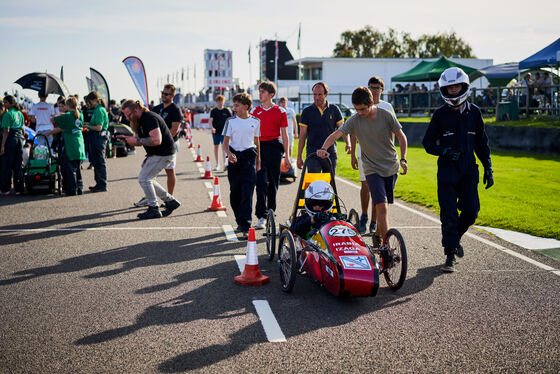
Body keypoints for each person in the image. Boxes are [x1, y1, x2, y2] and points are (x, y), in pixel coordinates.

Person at [317, 87, 408, 248]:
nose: (360, 112)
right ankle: (387, 249)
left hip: (391, 167)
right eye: (356, 109)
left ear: (371, 103)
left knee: (384, 208)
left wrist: (403, 159)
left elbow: (402, 137)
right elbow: (335, 135)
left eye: (363, 109)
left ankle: (378, 235)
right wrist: (324, 148)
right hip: (371, 168)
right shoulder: (355, 120)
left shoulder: (386, 115)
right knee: (381, 206)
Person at [423, 67, 493, 273]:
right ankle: (449, 254)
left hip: (469, 171)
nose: (453, 91)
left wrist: (488, 168)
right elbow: (427, 143)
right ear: (444, 90)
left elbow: (482, 143)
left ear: (464, 87)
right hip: (446, 172)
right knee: (449, 214)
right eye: (449, 88)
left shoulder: (475, 113)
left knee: (471, 212)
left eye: (456, 87)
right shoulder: (439, 115)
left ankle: (455, 239)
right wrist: (444, 151)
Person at [120, 100, 181, 220]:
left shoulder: (149, 118)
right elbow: (139, 140)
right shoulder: (140, 119)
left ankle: (154, 208)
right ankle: (171, 201)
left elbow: (157, 140)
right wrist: (128, 139)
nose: (127, 118)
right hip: (159, 153)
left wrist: (136, 141)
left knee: (144, 178)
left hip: (163, 153)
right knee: (148, 179)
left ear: (136, 110)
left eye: (129, 114)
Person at [351, 76, 396, 235]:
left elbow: (393, 131)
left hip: (383, 155)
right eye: (371, 87)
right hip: (365, 152)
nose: (374, 90)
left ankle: (374, 222)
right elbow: (354, 129)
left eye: (377, 87)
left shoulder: (387, 107)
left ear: (382, 90)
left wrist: (391, 153)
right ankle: (364, 215)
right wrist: (353, 154)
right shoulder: (361, 105)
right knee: (366, 185)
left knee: (380, 192)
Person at [132, 84, 184, 208]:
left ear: (172, 96)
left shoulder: (175, 109)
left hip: (169, 144)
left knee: (169, 171)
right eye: (162, 93)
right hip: (156, 144)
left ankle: (169, 198)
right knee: (149, 173)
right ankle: (149, 196)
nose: (163, 96)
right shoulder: (156, 108)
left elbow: (174, 129)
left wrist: (163, 143)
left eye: (166, 94)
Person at [250, 81, 291, 230]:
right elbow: (251, 134)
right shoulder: (254, 112)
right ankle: (261, 215)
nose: (260, 94)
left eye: (263, 92)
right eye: (259, 91)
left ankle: (271, 213)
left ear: (271, 95)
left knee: (273, 183)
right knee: (260, 183)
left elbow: (285, 136)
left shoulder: (280, 111)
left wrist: (287, 156)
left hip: (274, 148)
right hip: (259, 148)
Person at [222, 93, 260, 239]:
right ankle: (239, 220)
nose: (234, 108)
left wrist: (259, 162)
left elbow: (257, 143)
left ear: (246, 106)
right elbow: (225, 143)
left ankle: (246, 225)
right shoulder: (230, 121)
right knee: (235, 194)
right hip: (234, 159)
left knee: (247, 193)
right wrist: (229, 153)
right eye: (234, 105)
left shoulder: (256, 121)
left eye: (237, 105)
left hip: (249, 158)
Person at [297, 82, 346, 173]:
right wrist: (299, 156)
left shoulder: (334, 110)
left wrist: (348, 144)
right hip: (313, 153)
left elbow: (343, 129)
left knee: (329, 183)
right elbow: (302, 136)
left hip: (330, 152)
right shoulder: (306, 112)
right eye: (314, 94)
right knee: (315, 183)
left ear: (326, 94)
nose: (316, 97)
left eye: (320, 94)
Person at [44, 97, 86, 196]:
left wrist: (58, 114)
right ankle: (79, 189)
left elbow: (55, 119)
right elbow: (63, 127)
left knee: (69, 169)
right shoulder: (80, 115)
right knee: (77, 168)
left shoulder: (67, 116)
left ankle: (72, 190)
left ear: (67, 106)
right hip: (79, 144)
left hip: (70, 144)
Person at [84, 91, 109, 192]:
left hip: (99, 137)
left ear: (93, 100)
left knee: (99, 161)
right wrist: (88, 124)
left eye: (89, 102)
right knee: (96, 161)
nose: (88, 104)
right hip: (96, 137)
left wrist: (87, 126)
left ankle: (102, 184)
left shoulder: (99, 110)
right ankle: (99, 183)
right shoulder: (98, 109)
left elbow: (99, 127)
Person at [0, 95, 25, 195]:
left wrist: (2, 146)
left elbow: (6, 131)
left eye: (5, 102)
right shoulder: (20, 113)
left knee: (7, 165)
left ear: (10, 103)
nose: (4, 104)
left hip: (10, 139)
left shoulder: (8, 114)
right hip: (20, 138)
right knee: (18, 165)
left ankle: (6, 189)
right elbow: (23, 128)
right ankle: (19, 189)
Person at [209, 94, 232, 171]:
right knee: (216, 147)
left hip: (224, 132)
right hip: (216, 132)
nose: (220, 103)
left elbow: (230, 121)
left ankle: (225, 163)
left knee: (225, 147)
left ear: (224, 102)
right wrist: (212, 128)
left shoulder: (227, 110)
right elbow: (210, 121)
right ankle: (217, 164)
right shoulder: (213, 111)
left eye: (221, 101)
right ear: (216, 102)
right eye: (218, 101)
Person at [277, 96, 297, 162]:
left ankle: (289, 160)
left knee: (290, 147)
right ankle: (281, 161)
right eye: (281, 102)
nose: (283, 104)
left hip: (289, 132)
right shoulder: (278, 111)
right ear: (279, 103)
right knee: (281, 147)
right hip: (280, 133)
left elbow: (295, 122)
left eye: (284, 102)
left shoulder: (290, 111)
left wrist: (296, 132)